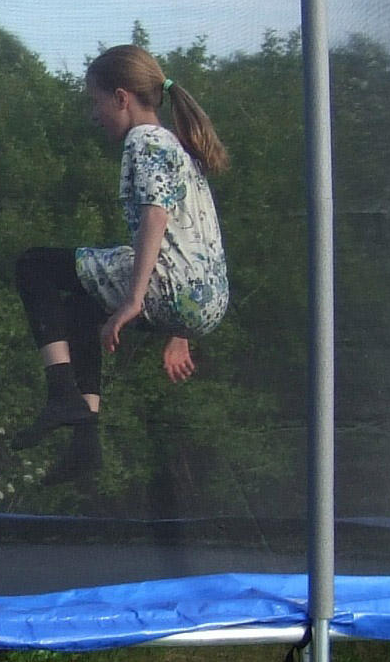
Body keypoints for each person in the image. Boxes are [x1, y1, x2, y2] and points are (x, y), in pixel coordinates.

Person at [12, 44, 231, 484]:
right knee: (81, 303)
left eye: (96, 103)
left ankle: (61, 394)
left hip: (171, 290)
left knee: (33, 265)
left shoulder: (144, 140)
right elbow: (193, 237)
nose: (96, 116)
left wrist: (134, 300)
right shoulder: (177, 145)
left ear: (121, 97)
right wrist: (181, 328)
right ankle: (85, 439)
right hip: (206, 298)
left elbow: (156, 214)